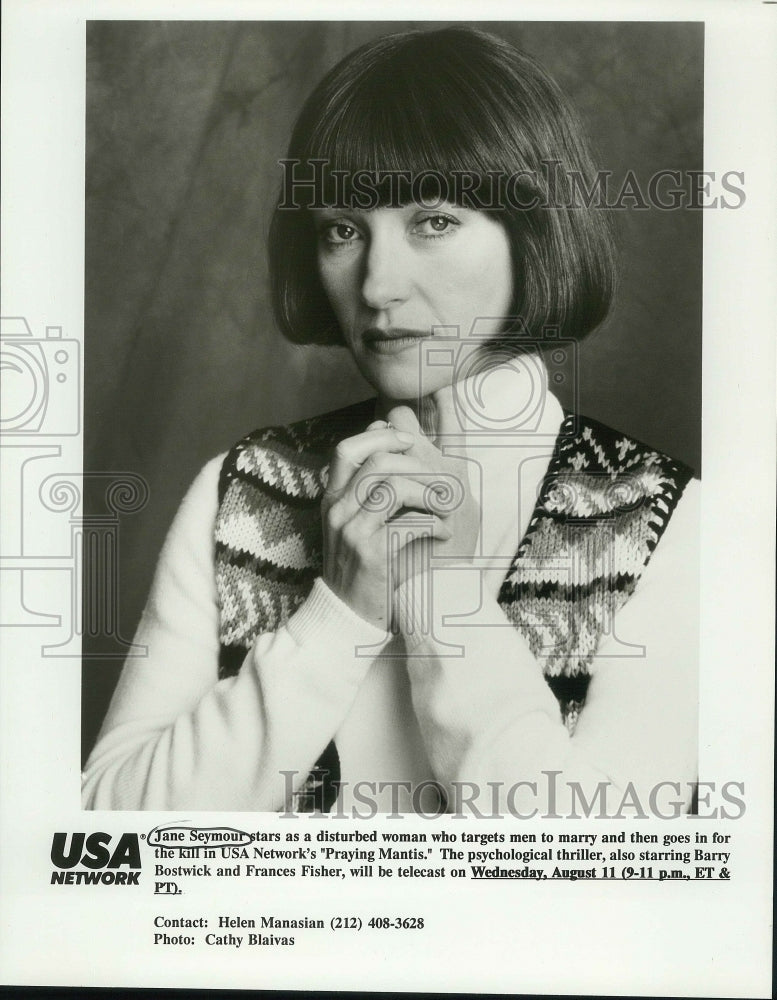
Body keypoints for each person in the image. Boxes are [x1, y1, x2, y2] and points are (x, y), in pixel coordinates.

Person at [82, 26, 699, 816]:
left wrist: (441, 596)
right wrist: (336, 618)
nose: (376, 285)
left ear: (534, 232)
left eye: (432, 222)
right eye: (342, 230)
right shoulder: (242, 492)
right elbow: (107, 838)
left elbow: (600, 875)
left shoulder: (665, 516)